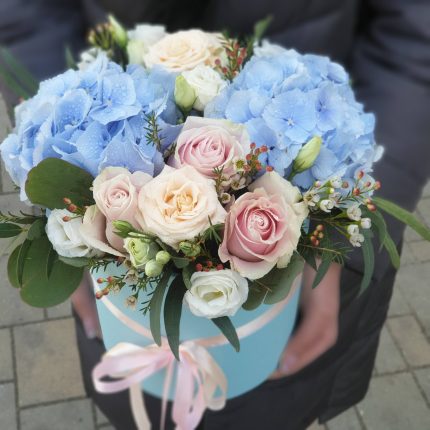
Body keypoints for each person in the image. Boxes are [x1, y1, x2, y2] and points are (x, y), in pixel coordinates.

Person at [1, 1, 429, 428]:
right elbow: (27, 18)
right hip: (128, 314)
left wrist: (339, 245)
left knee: (281, 404)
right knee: (145, 406)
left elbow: (416, 40)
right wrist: (65, 218)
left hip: (308, 296)